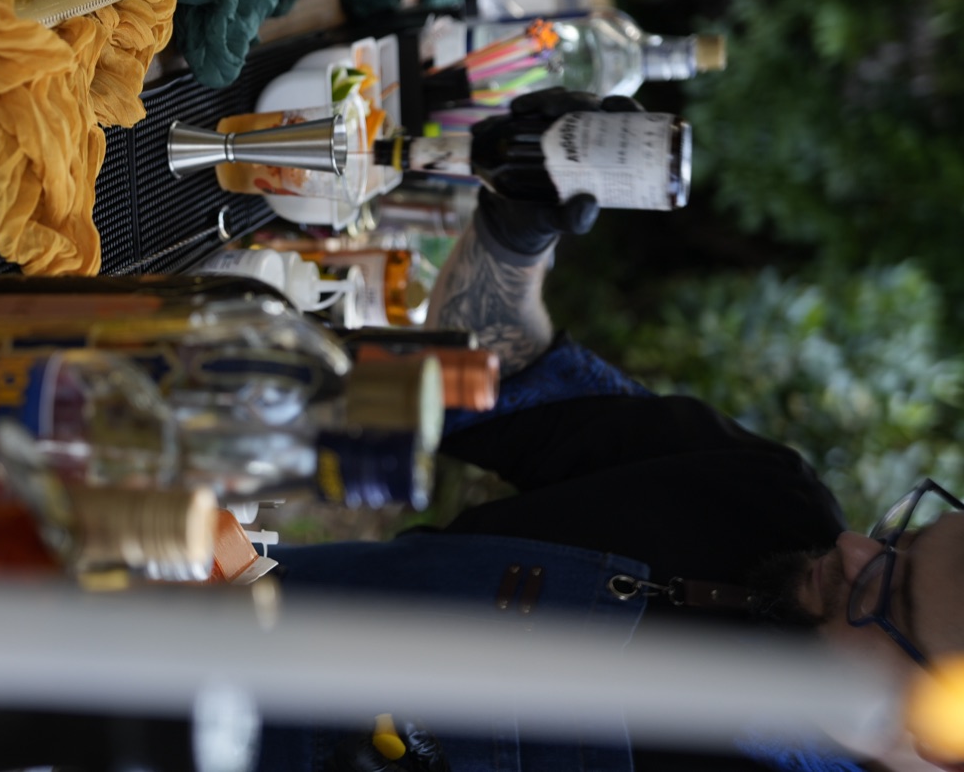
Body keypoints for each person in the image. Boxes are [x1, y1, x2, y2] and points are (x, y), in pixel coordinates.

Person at [260, 91, 964, 772]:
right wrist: (518, 226)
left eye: (889, 598)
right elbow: (501, 376)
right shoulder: (767, 501)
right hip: (195, 596)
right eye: (902, 540)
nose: (853, 549)